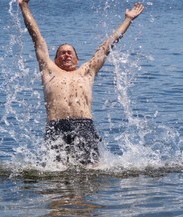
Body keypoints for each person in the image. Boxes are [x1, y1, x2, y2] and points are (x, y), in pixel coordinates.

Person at [18, 0, 144, 165]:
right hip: (56, 127)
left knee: (89, 172)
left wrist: (128, 19)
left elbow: (106, 47)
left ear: (77, 59)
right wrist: (24, 6)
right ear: (55, 59)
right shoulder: (49, 71)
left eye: (70, 53)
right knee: (55, 179)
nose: (66, 55)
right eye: (62, 53)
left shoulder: (87, 71)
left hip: (83, 126)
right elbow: (37, 39)